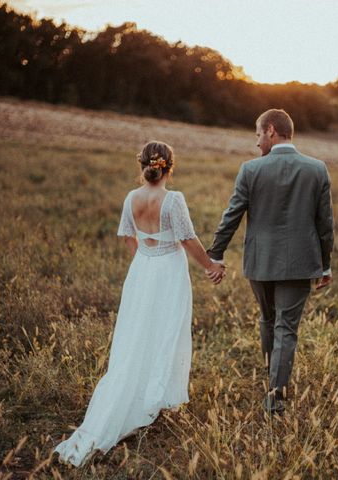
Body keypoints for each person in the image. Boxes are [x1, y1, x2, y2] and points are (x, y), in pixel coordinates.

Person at [54, 141, 225, 467]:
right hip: (169, 274)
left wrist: (144, 262)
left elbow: (127, 236)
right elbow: (187, 239)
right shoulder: (173, 200)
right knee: (166, 332)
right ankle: (156, 393)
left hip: (142, 273)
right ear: (169, 166)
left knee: (138, 334)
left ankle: (146, 391)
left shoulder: (132, 198)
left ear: (143, 165)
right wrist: (211, 266)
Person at [206, 108, 334, 415]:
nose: (257, 142)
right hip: (302, 262)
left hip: (261, 261)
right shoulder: (317, 169)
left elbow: (232, 215)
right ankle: (275, 397)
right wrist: (325, 264)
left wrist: (216, 253)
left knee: (268, 320)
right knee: (285, 328)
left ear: (272, 131)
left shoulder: (251, 170)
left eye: (258, 134)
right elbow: (325, 223)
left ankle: (272, 379)